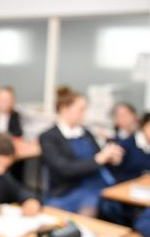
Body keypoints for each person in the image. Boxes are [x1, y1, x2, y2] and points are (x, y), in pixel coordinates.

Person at [40, 86, 124, 216]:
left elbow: (98, 158)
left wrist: (112, 158)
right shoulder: (48, 137)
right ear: (64, 109)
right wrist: (100, 158)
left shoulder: (86, 133)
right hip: (66, 191)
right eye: (81, 109)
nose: (84, 114)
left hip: (95, 186)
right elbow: (65, 169)